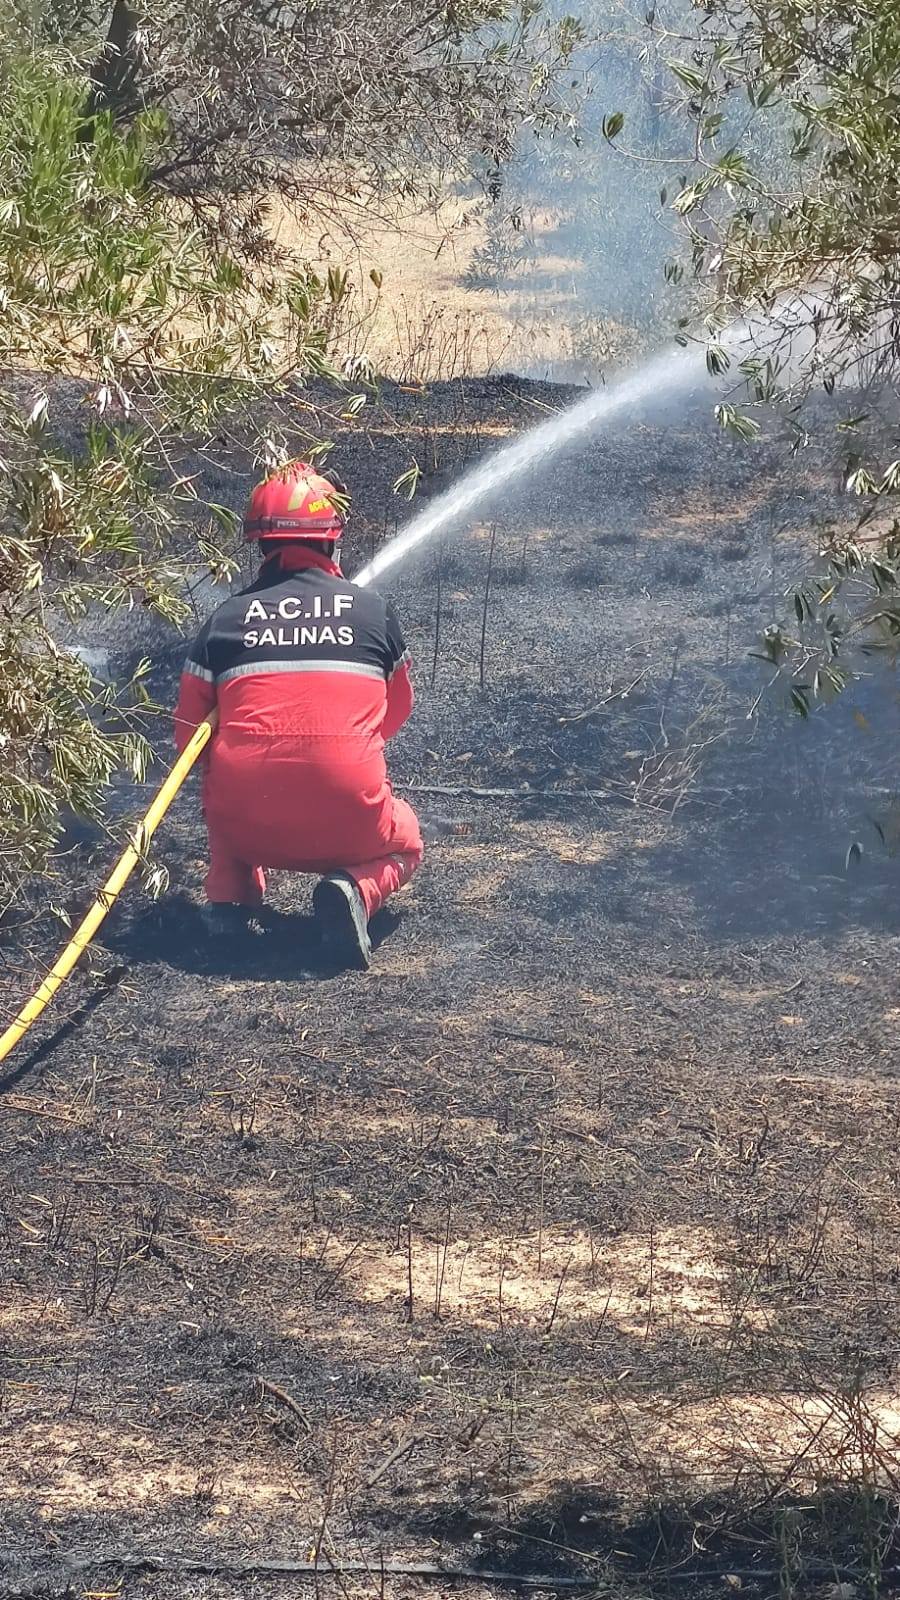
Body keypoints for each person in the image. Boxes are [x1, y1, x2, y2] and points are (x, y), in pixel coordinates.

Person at [173, 461, 422, 969]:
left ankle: (228, 901)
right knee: (408, 841)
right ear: (332, 539)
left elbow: (187, 737)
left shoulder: (224, 621)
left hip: (247, 827)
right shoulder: (373, 613)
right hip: (351, 822)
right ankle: (353, 889)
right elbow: (396, 710)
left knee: (223, 791)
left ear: (261, 543)